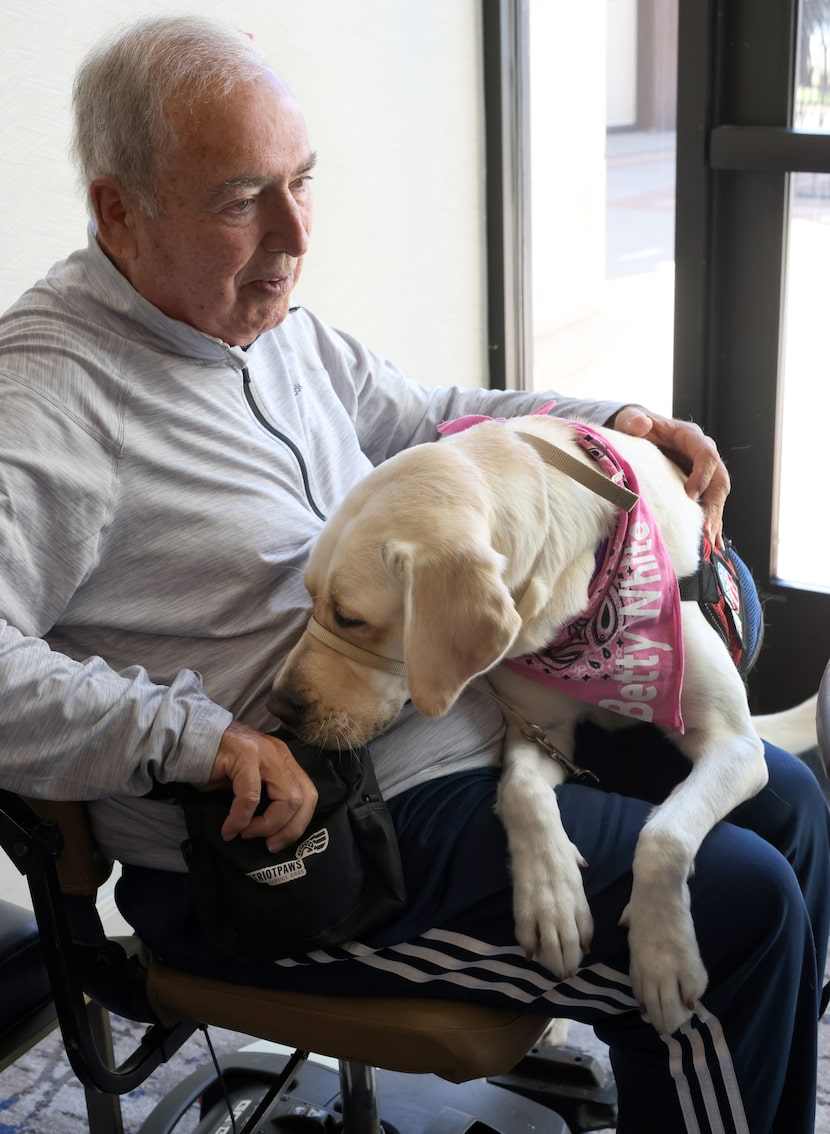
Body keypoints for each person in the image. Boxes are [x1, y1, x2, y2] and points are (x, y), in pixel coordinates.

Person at [0, 15, 826, 1133]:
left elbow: (431, 421)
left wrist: (610, 422)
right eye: (243, 198)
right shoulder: (49, 403)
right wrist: (200, 739)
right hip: (296, 860)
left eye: (303, 182)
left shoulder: (267, 325)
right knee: (736, 913)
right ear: (118, 209)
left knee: (785, 806)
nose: (294, 234)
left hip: (457, 741)